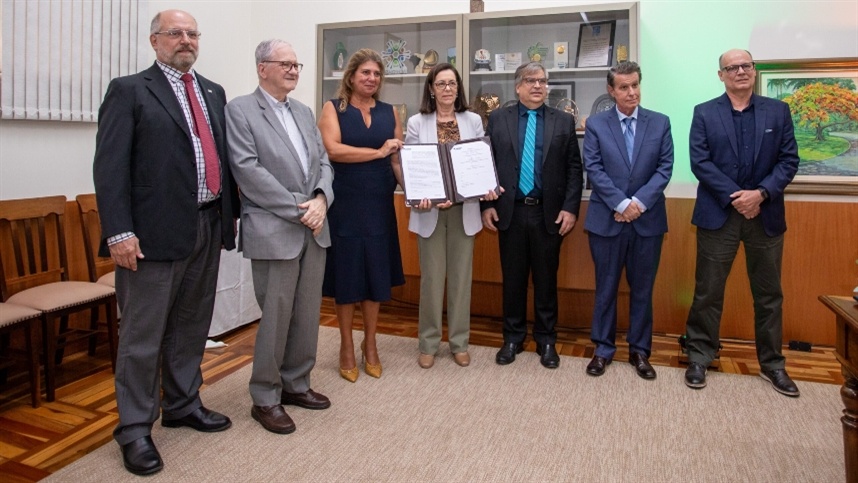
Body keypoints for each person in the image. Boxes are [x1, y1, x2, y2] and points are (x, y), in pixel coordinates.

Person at [93, 10, 239, 476]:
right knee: (143, 335)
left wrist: (229, 217)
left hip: (207, 224)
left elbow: (223, 160)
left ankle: (182, 403)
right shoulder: (130, 90)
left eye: (192, 33)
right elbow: (109, 167)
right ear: (154, 40)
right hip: (150, 235)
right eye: (175, 33)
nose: (185, 40)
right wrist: (118, 232)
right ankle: (135, 428)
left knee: (192, 325)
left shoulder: (213, 92)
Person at [225, 40, 334, 434]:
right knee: (275, 315)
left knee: (306, 313)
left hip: (314, 227)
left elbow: (324, 162)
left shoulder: (304, 112)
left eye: (296, 65)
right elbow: (247, 170)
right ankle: (265, 397)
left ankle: (296, 384)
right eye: (284, 64)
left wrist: (321, 199)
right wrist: (300, 209)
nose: (292, 70)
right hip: (275, 229)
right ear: (262, 68)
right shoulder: (240, 110)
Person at [684, 49, 800, 397]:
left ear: (754, 70)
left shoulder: (778, 111)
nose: (740, 71)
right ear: (721, 75)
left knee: (769, 295)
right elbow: (700, 162)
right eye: (732, 67)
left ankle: (773, 364)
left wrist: (760, 195)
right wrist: (738, 197)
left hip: (765, 216)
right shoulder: (704, 112)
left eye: (746, 65)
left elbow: (789, 160)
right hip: (719, 215)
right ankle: (699, 356)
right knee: (708, 291)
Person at [481, 62, 583, 369]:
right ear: (518, 86)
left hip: (547, 213)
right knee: (512, 279)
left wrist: (570, 208)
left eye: (542, 81)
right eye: (530, 80)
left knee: (546, 280)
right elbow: (485, 164)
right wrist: (486, 206)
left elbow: (574, 168)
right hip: (509, 211)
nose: (538, 85)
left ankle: (546, 339)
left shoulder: (563, 121)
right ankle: (512, 338)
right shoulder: (498, 119)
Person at [582, 61, 674, 379]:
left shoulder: (660, 123)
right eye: (624, 87)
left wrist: (637, 204)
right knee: (605, 288)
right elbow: (594, 168)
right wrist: (620, 203)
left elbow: (664, 168)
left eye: (635, 85)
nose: (631, 92)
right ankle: (603, 350)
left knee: (643, 290)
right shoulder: (596, 124)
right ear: (611, 90)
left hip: (647, 222)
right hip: (607, 221)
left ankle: (640, 351)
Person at [318, 48, 405, 382]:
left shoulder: (389, 112)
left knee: (375, 276)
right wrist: (378, 152)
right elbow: (333, 150)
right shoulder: (333, 108)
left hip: (379, 205)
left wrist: (414, 192)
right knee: (347, 277)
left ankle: (370, 343)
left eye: (377, 74)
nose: (372, 78)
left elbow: (396, 160)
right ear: (351, 76)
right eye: (365, 72)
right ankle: (345, 345)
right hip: (345, 206)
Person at [405, 63, 499, 369]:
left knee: (460, 280)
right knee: (432, 281)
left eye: (452, 83)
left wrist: (487, 186)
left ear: (458, 88)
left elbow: (481, 160)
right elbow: (414, 167)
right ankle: (428, 343)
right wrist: (424, 195)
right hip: (430, 212)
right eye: (441, 83)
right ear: (431, 89)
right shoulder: (417, 122)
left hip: (464, 210)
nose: (447, 88)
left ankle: (460, 342)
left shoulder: (473, 120)